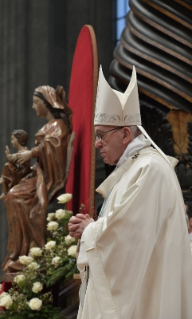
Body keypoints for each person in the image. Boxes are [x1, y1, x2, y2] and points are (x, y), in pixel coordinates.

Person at [68, 66, 192, 319]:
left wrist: (91, 230)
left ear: (126, 133)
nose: (97, 144)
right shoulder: (135, 168)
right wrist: (93, 228)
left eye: (101, 135)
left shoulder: (149, 169)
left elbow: (128, 238)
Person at [2, 85, 73, 273]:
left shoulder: (58, 126)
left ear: (47, 103)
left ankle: (31, 250)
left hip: (46, 175)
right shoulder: (48, 127)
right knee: (12, 196)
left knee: (16, 197)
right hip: (39, 172)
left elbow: (54, 149)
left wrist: (31, 154)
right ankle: (21, 252)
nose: (33, 107)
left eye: (36, 103)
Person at [0, 129, 31, 200]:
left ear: (19, 139)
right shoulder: (20, 151)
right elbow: (14, 160)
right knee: (7, 166)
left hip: (23, 172)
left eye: (13, 139)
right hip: (19, 169)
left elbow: (16, 159)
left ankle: (4, 189)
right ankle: (4, 190)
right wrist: (9, 157)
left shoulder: (25, 151)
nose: (11, 141)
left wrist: (8, 156)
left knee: (7, 166)